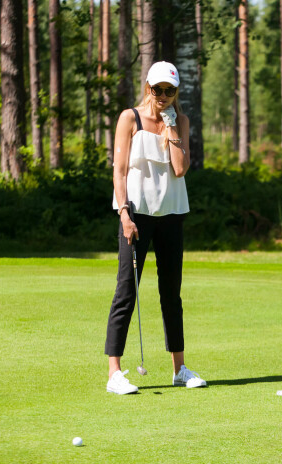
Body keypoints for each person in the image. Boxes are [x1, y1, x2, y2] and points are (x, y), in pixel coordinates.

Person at [105, 61, 206, 394]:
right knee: (126, 291)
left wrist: (172, 126)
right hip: (137, 213)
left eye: (170, 90)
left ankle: (179, 369)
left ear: (176, 91)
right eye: (157, 89)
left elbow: (180, 169)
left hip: (172, 213)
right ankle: (114, 373)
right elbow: (119, 172)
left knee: (171, 293)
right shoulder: (129, 118)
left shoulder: (180, 121)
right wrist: (123, 214)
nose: (163, 96)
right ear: (147, 87)